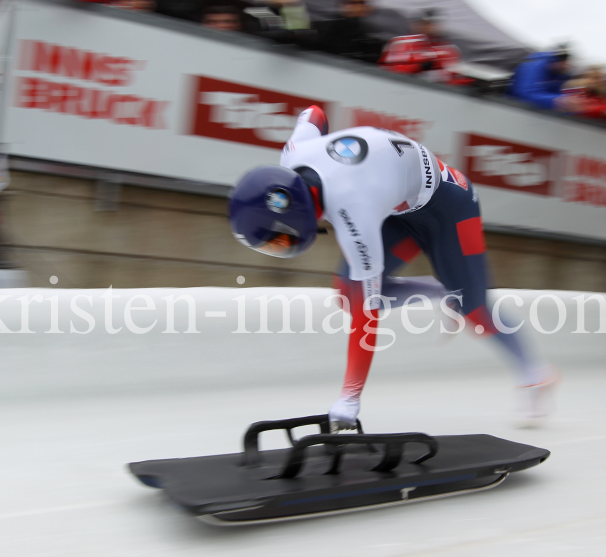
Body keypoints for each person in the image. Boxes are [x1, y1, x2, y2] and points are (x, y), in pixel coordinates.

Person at [228, 106, 557, 429]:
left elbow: (366, 317)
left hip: (450, 208)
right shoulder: (293, 153)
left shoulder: (353, 211)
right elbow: (313, 114)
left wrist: (350, 397)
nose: (281, 246)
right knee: (347, 294)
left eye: (278, 240)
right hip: (399, 205)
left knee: (474, 310)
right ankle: (444, 290)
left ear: (287, 208)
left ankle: (535, 375)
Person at [379, 8, 467, 86]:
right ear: (416, 24)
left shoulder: (449, 50)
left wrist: (471, 83)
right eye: (427, 23)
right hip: (402, 88)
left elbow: (453, 79)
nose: (431, 27)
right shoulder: (401, 43)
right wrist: (421, 65)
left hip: (435, 94)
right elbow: (389, 72)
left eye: (434, 23)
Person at [310, 0, 386, 64]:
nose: (352, 8)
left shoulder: (372, 35)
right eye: (349, 3)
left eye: (358, 4)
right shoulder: (325, 27)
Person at [508, 47, 572, 111]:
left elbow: (555, 93)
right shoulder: (533, 67)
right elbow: (525, 94)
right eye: (564, 62)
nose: (565, 66)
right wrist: (559, 100)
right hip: (513, 107)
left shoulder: (558, 74)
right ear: (556, 61)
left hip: (537, 111)